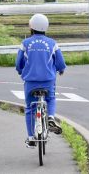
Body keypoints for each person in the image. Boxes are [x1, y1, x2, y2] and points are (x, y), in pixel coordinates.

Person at [15, 14, 66, 148]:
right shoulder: (52, 43)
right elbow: (60, 62)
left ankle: (31, 138)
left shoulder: (25, 44)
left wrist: (20, 71)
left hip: (30, 82)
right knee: (50, 98)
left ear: (31, 27)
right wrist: (61, 69)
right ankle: (50, 118)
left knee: (30, 108)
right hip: (48, 81)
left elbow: (18, 63)